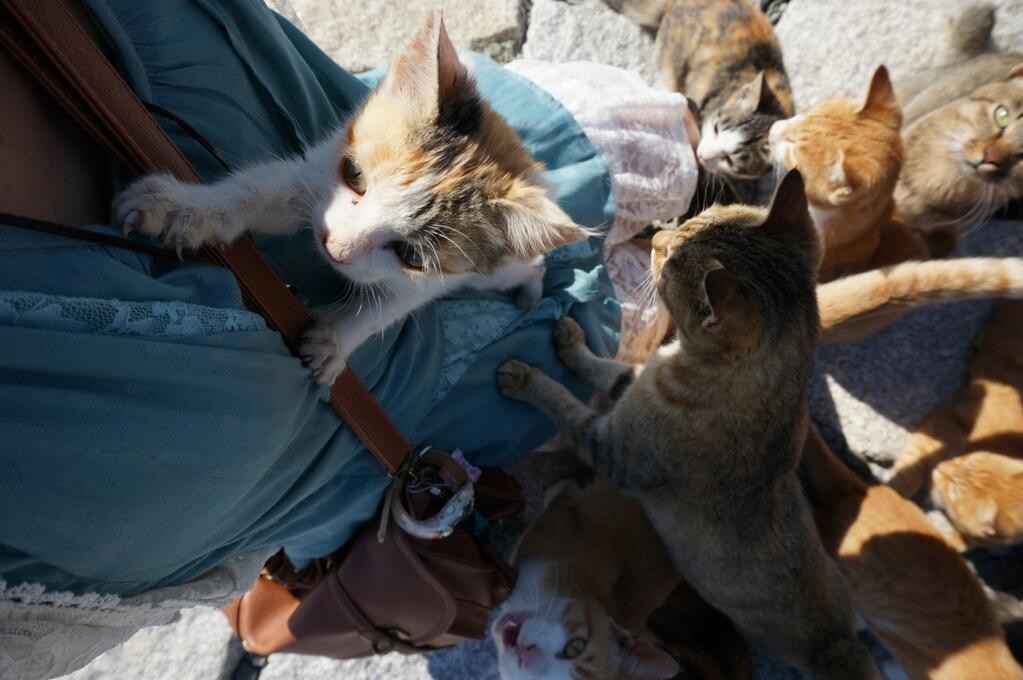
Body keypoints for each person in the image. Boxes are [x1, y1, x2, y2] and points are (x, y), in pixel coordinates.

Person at [0, 1, 695, 676]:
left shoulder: (441, 223)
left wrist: (349, 331)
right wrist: (215, 209)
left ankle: (551, 275)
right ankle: (604, 262)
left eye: (402, 247)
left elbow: (402, 294)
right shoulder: (387, 134)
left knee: (512, 280)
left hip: (496, 251)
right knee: (538, 301)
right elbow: (287, 192)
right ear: (398, 86)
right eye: (355, 179)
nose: (342, 241)